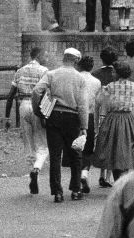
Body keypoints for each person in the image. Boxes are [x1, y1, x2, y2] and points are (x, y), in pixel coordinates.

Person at [31, 47, 91, 203]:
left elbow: (37, 91)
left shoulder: (51, 74)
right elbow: (83, 104)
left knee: (55, 155)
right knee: (76, 154)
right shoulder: (80, 78)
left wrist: (39, 111)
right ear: (76, 60)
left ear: (64, 58)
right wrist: (84, 126)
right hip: (73, 117)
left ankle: (57, 192)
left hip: (54, 116)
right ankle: (76, 189)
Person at [4, 46, 49, 194]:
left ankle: (31, 169)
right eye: (44, 55)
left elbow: (10, 95)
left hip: (23, 105)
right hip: (38, 106)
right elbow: (47, 94)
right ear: (39, 55)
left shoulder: (20, 71)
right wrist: (46, 114)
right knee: (42, 143)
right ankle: (37, 168)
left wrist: (7, 117)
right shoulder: (44, 71)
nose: (46, 57)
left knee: (28, 142)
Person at [92, 60, 134, 180]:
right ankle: (125, 178)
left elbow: (100, 101)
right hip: (130, 119)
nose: (112, 73)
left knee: (113, 150)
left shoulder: (110, 86)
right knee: (128, 149)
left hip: (113, 119)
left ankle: (118, 180)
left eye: (114, 71)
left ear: (118, 73)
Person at [91, 48, 119, 189]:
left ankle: (101, 174)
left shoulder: (95, 74)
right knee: (112, 143)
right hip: (113, 113)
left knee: (101, 142)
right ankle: (107, 177)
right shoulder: (117, 75)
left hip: (99, 112)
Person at [75, 55, 102, 194]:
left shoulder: (75, 77)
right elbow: (97, 103)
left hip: (75, 114)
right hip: (90, 115)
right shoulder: (97, 82)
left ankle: (76, 179)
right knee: (88, 147)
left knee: (75, 146)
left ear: (79, 65)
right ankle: (85, 172)